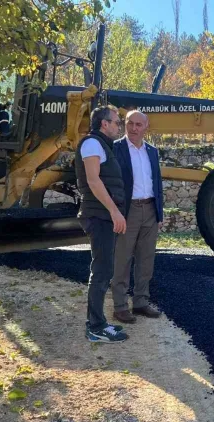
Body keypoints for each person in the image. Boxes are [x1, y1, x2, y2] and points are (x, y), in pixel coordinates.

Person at [76, 105, 129, 342]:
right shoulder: (91, 144)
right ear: (103, 123)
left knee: (104, 269)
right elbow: (93, 181)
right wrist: (114, 212)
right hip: (99, 216)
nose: (119, 126)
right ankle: (95, 327)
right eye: (116, 122)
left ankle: (99, 322)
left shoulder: (102, 145)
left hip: (105, 215)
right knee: (101, 271)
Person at [111, 110, 164, 323]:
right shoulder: (115, 149)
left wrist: (159, 213)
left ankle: (141, 302)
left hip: (150, 209)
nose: (133, 128)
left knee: (146, 259)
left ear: (146, 127)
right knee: (122, 259)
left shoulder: (152, 151)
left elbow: (157, 183)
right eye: (129, 123)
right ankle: (120, 306)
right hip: (128, 210)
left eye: (138, 125)